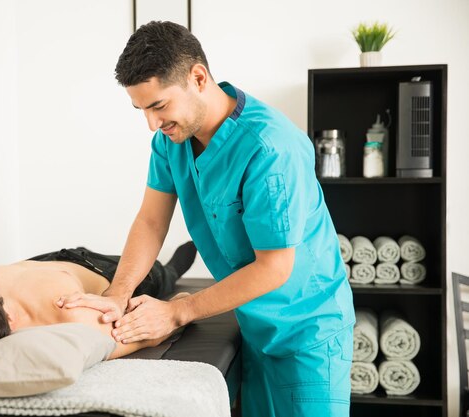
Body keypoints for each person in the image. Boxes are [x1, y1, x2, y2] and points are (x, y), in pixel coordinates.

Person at [57, 21, 355, 417]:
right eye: (141, 110)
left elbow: (275, 267)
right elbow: (150, 221)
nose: (151, 124)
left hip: (308, 336)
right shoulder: (171, 142)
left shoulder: (271, 149)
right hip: (255, 326)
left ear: (198, 77)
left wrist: (177, 310)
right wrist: (117, 294)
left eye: (159, 105)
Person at [0, 242, 197, 359]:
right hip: (102, 272)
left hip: (43, 262)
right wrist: (181, 306)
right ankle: (171, 268)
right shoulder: (74, 319)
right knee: (162, 274)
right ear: (7, 318)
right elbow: (165, 321)